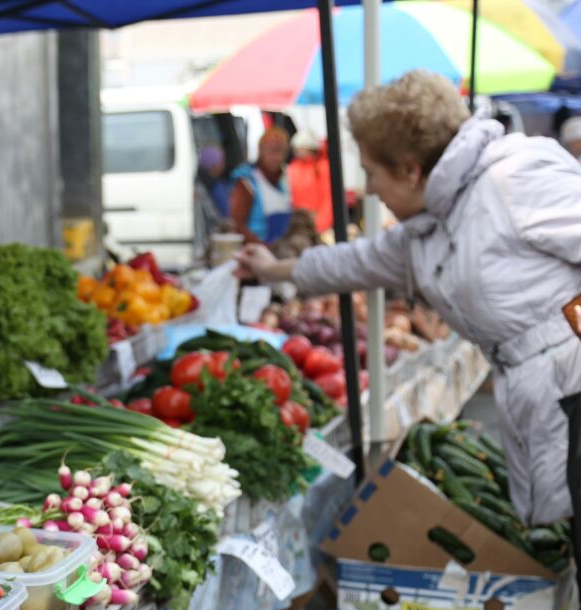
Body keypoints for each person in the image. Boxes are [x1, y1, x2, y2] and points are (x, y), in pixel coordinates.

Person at [235, 70, 581, 532]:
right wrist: (270, 269)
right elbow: (352, 262)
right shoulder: (428, 229)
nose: (370, 189)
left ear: (409, 170)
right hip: (541, 407)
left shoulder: (513, 176)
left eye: (372, 173)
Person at [229, 127, 292, 244]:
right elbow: (237, 223)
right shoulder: (246, 181)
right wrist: (260, 247)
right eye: (271, 150)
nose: (276, 157)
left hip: (281, 248)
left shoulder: (287, 178)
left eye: (281, 151)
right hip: (256, 250)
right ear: (261, 151)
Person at [287, 129, 334, 233]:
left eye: (300, 148)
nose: (297, 151)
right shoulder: (292, 168)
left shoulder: (323, 168)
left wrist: (320, 225)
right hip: (296, 225)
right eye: (296, 149)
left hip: (316, 226)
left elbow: (328, 198)